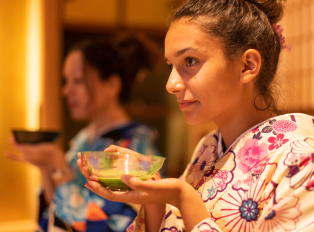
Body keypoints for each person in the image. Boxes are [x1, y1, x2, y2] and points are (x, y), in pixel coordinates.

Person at [77, 0, 314, 231]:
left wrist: (184, 198)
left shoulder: (303, 158)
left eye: (190, 61)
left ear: (247, 66)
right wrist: (155, 198)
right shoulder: (208, 148)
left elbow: (186, 206)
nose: (171, 84)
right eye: (171, 65)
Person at [5, 34, 163, 232]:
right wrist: (46, 167)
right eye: (66, 80)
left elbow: (104, 222)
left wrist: (57, 161)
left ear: (112, 85)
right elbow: (57, 210)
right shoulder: (84, 138)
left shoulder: (133, 147)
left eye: (78, 80)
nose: (66, 90)